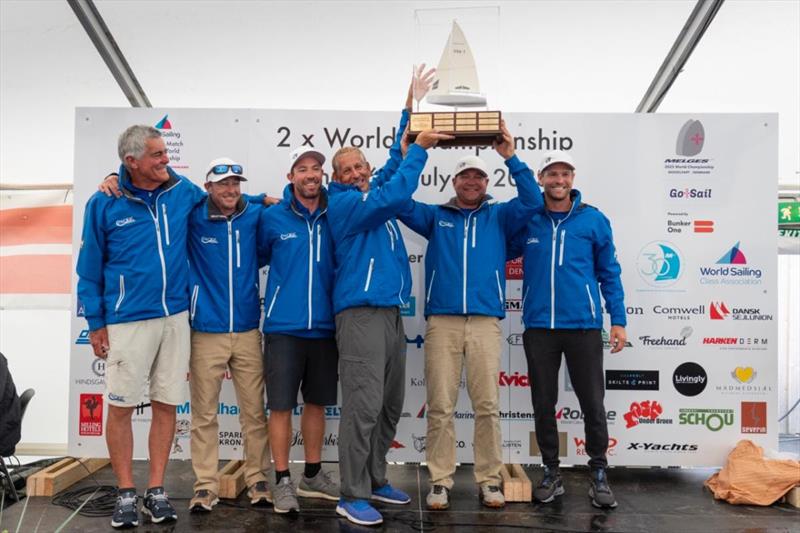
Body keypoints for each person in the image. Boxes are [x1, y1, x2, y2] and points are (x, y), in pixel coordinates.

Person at [395, 121, 543, 509]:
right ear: (454, 180)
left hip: (484, 322)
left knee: (487, 406)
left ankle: (489, 480)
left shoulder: (500, 216)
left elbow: (531, 201)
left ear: (486, 181)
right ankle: (441, 480)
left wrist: (510, 157)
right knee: (440, 405)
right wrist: (416, 151)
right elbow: (397, 201)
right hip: (442, 323)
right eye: (465, 176)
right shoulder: (434, 217)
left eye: (478, 176)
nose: (472, 182)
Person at [77, 125, 207, 528]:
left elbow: (225, 199)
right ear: (131, 162)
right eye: (156, 155)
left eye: (164, 152)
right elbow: (88, 271)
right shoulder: (103, 201)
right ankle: (126, 493)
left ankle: (156, 490)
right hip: (127, 320)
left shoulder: (181, 190)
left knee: (167, 403)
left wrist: (266, 199)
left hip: (174, 317)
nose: (165, 159)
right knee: (120, 407)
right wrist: (96, 323)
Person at [327, 123, 452, 525]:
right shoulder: (345, 204)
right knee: (363, 406)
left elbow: (392, 167)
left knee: (389, 403)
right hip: (360, 313)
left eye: (361, 166)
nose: (357, 173)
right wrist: (421, 149)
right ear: (337, 178)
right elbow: (396, 190)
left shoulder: (371, 193)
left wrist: (408, 113)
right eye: (347, 170)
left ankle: (376, 478)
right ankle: (352, 493)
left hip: (390, 312)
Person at [507, 149, 627, 509]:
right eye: (552, 174)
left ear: (573, 179)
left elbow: (610, 272)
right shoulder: (530, 220)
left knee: (593, 402)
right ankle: (550, 470)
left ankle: (599, 472)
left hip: (584, 327)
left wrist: (617, 319)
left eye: (566, 174)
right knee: (544, 402)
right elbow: (494, 251)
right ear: (541, 178)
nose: (559, 181)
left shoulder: (593, 220)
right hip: (540, 327)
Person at [186, 158, 272, 512]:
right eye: (222, 184)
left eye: (235, 183)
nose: (230, 190)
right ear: (208, 187)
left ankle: (258, 478)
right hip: (206, 331)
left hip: (249, 329)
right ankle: (205, 484)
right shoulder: (193, 216)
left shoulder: (252, 213)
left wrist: (262, 197)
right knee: (204, 414)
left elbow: (253, 202)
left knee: (254, 411)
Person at [257, 147, 339, 514]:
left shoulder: (336, 212)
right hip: (284, 328)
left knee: (317, 404)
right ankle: (281, 480)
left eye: (316, 168)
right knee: (279, 407)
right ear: (290, 177)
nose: (310, 174)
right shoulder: (271, 217)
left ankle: (312, 474)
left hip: (324, 327)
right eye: (302, 169)